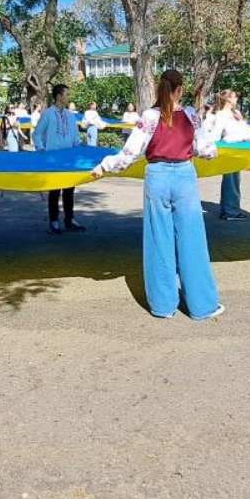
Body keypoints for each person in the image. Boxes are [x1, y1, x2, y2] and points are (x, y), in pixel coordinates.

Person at [91, 69, 223, 320]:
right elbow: (207, 150)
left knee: (158, 238)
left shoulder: (149, 116)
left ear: (159, 89)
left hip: (157, 176)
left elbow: (130, 153)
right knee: (192, 239)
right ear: (180, 89)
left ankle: (163, 306)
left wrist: (104, 167)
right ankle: (202, 306)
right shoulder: (192, 115)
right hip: (184, 177)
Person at [204, 89, 250, 221]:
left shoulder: (236, 114)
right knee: (231, 179)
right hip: (231, 150)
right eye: (235, 97)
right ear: (229, 99)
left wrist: (242, 121)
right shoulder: (221, 115)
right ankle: (230, 211)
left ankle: (231, 209)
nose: (236, 99)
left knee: (234, 179)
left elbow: (245, 131)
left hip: (239, 149)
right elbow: (216, 135)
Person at [35, 83, 85, 235]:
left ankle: (69, 219)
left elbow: (75, 136)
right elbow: (37, 133)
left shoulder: (70, 115)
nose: (68, 97)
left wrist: (80, 148)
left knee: (69, 189)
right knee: (55, 191)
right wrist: (41, 149)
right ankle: (54, 221)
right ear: (59, 96)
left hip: (69, 158)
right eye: (66, 94)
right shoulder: (48, 114)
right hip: (53, 159)